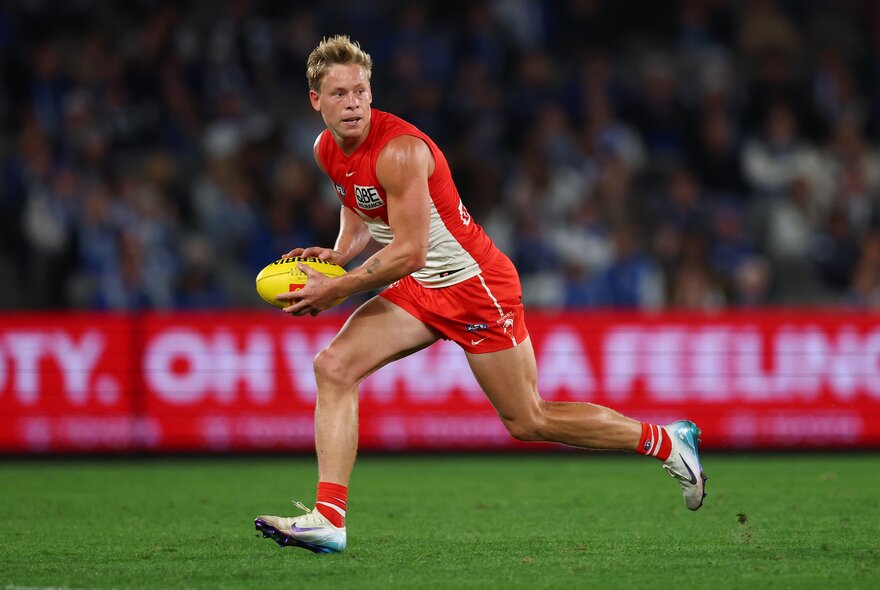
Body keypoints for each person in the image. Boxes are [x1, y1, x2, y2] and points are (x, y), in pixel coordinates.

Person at [255, 35, 707, 554]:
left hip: (476, 288)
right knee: (333, 367)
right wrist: (339, 254)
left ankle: (668, 442)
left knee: (528, 420)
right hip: (423, 289)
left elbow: (409, 252)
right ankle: (328, 520)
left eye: (360, 91)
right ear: (317, 101)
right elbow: (360, 205)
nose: (353, 102)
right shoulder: (326, 149)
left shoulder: (400, 150)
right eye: (339, 94)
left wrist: (337, 288)